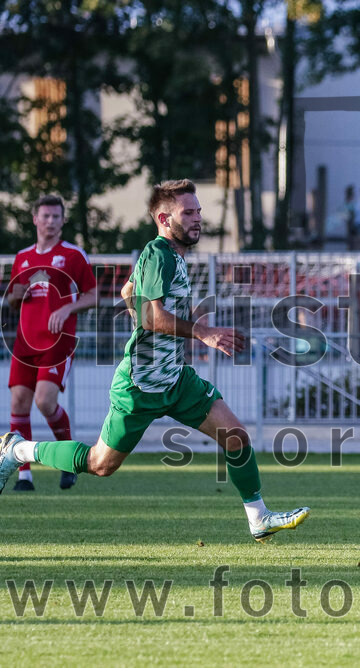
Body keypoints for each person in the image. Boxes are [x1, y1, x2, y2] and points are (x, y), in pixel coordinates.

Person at [0, 179, 309, 542]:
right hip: (141, 383)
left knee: (236, 437)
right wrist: (201, 332)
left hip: (176, 379)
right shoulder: (159, 253)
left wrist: (189, 320)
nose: (198, 218)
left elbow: (128, 291)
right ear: (164, 218)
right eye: (189, 212)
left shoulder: (170, 256)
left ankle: (258, 518)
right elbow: (151, 317)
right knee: (100, 465)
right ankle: (18, 448)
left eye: (198, 211)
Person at [6, 195, 96, 491]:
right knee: (18, 403)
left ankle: (68, 458)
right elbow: (13, 299)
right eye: (45, 216)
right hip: (24, 342)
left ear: (63, 220)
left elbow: (92, 295)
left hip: (57, 342)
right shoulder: (22, 257)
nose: (51, 222)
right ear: (35, 219)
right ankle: (24, 475)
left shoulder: (72, 255)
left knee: (44, 402)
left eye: (56, 216)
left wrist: (66, 308)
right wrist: (16, 295)